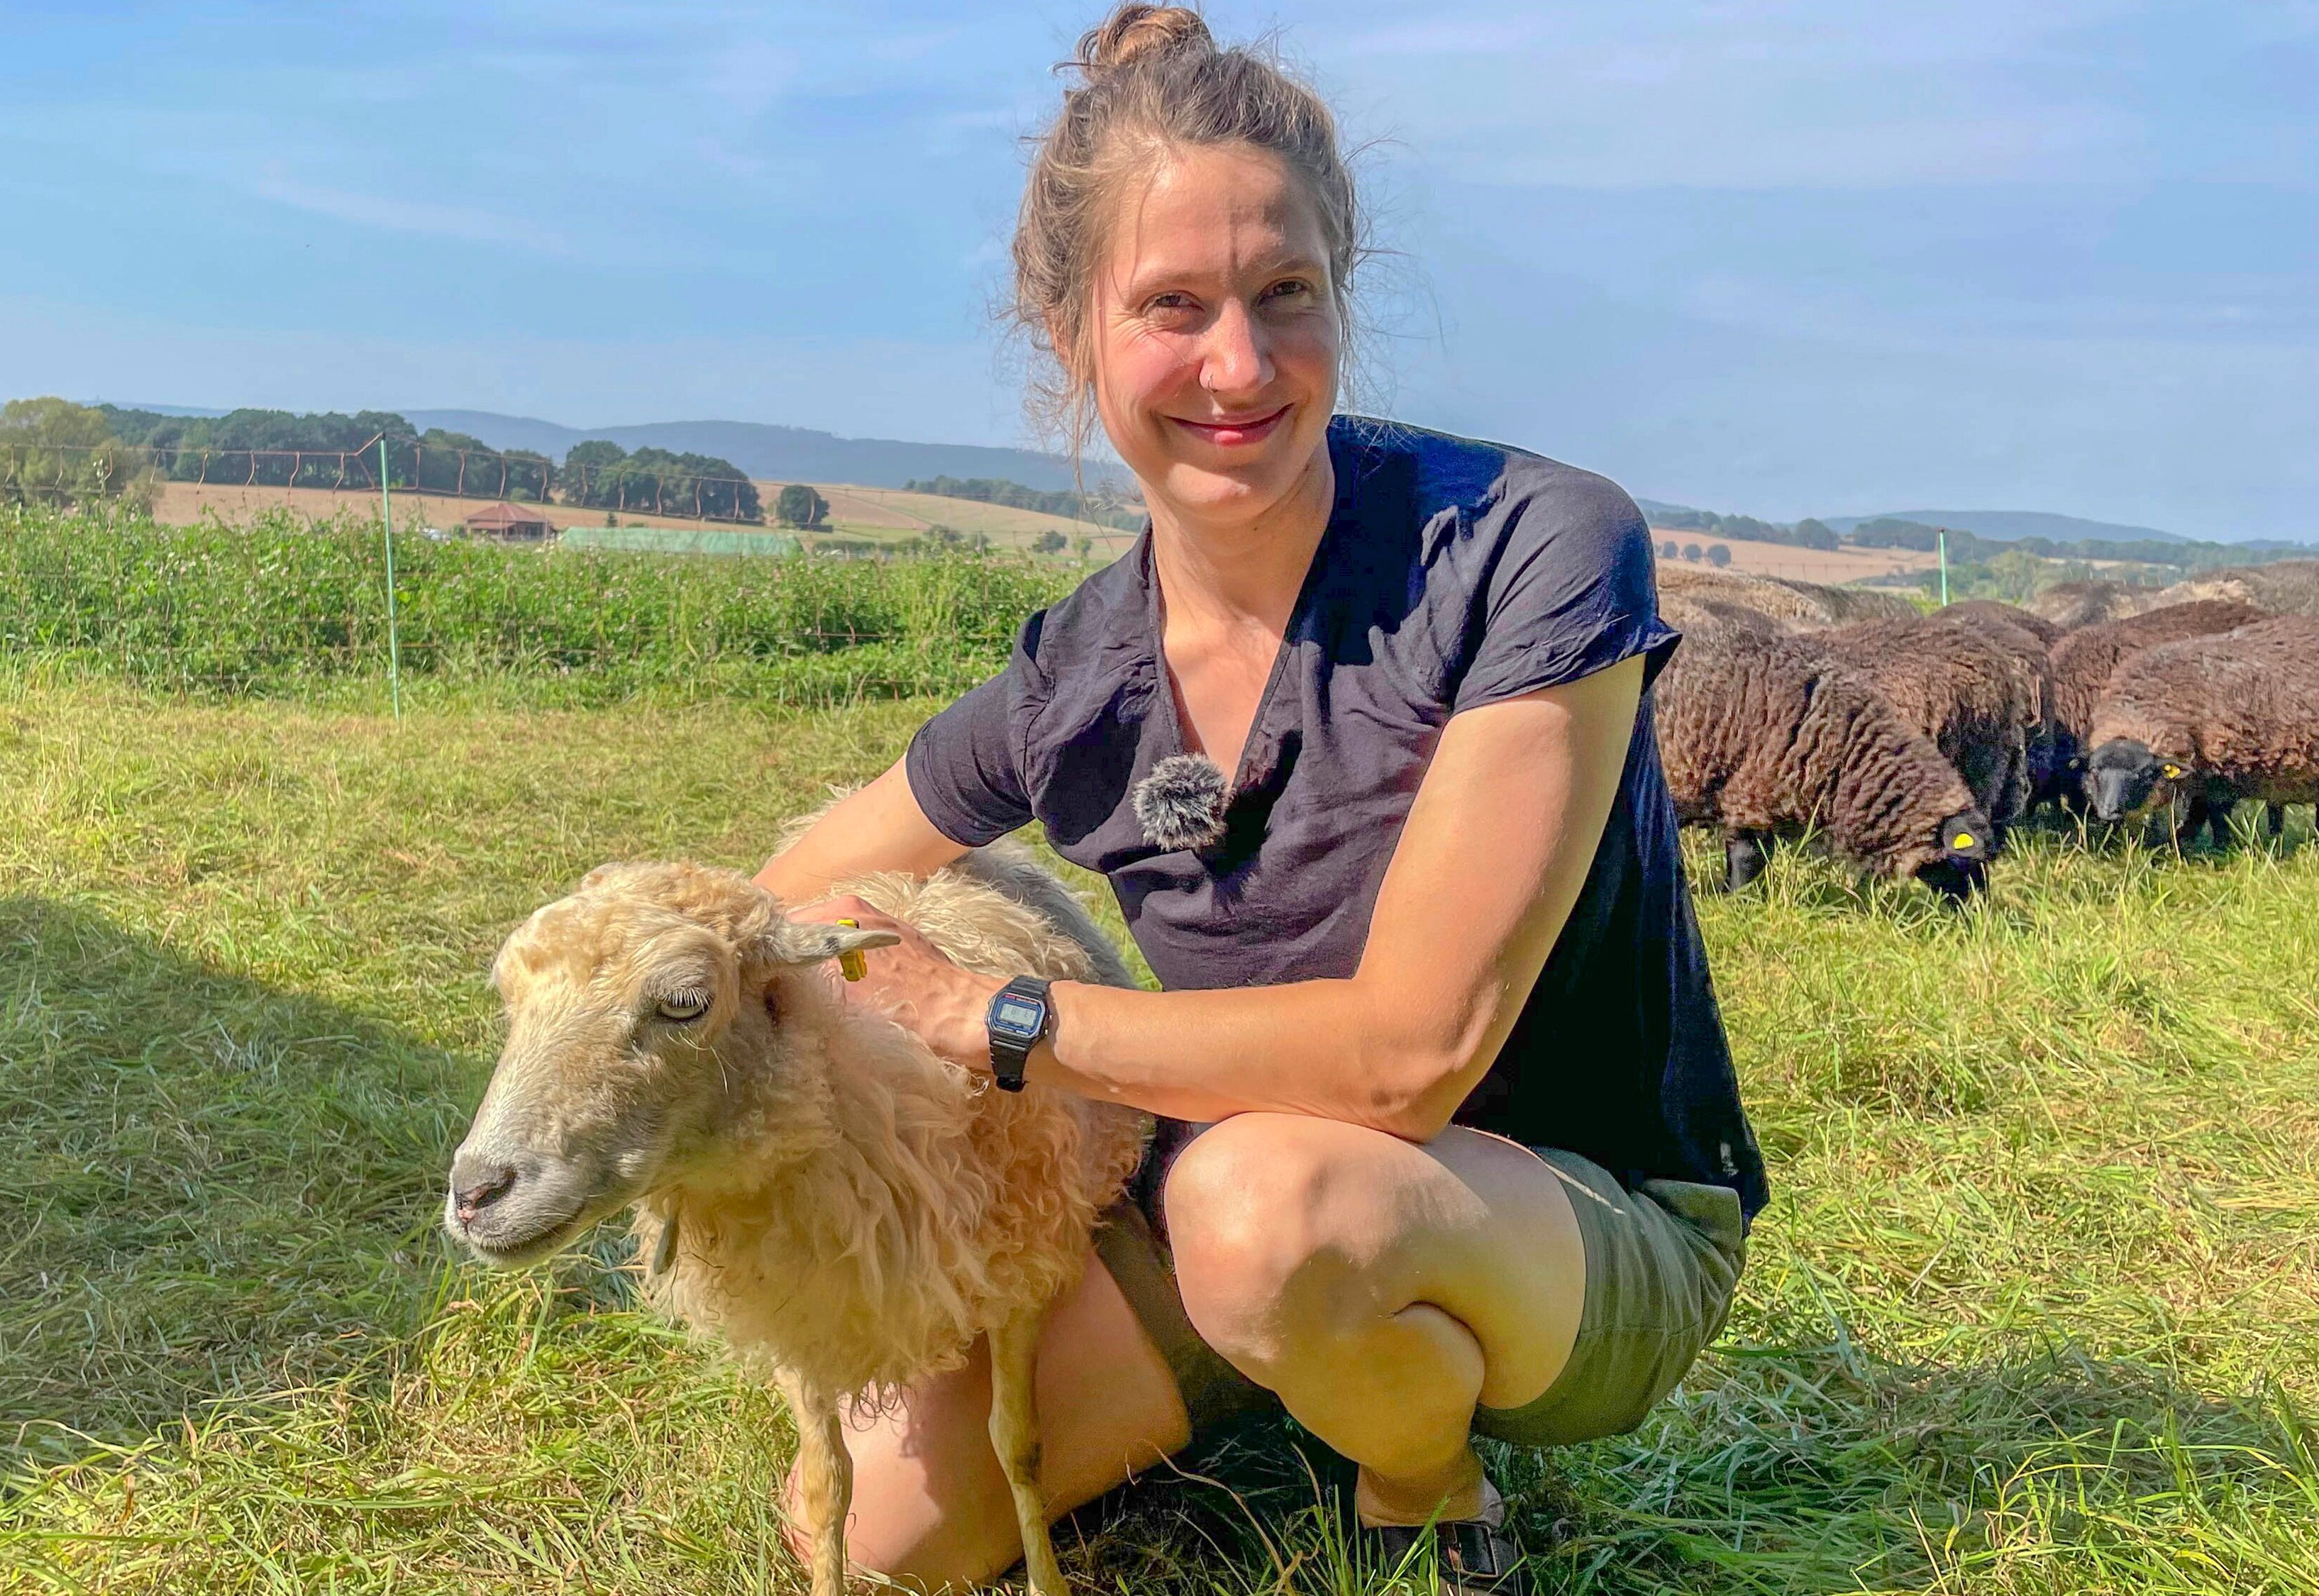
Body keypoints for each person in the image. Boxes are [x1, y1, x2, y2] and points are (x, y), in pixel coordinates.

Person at [752, 6, 1766, 1592]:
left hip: (1570, 1208)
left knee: (1261, 1206)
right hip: (1222, 1176)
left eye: (1282, 297)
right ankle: (1281, 1352)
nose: (1238, 366)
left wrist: (1001, 1017)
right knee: (863, 1545)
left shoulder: (1529, 550)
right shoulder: (1072, 674)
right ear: (1067, 329)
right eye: (1171, 306)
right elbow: (796, 893)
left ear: (1336, 297)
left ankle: (1417, 1469)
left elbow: (1408, 1059)